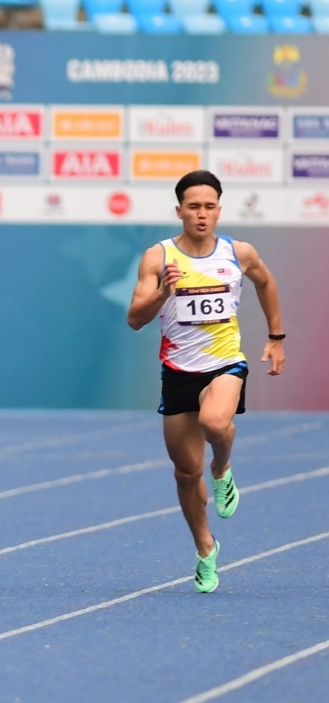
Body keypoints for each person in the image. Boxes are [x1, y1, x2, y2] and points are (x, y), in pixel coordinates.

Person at [127, 169, 285, 593]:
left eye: (209, 206)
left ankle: (223, 467)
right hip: (178, 372)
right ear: (179, 210)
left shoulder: (239, 252)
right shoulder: (157, 258)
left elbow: (266, 282)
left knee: (216, 423)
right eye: (193, 207)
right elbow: (135, 320)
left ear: (219, 210)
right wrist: (162, 293)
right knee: (183, 472)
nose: (201, 214)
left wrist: (275, 337)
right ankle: (205, 548)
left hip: (224, 364)